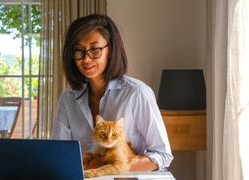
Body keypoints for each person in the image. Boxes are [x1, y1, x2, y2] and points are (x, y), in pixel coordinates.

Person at [51, 14, 173, 171]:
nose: (86, 59)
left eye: (94, 49)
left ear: (111, 49)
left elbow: (162, 155)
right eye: (78, 51)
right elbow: (60, 153)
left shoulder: (137, 93)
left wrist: (104, 167)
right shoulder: (68, 98)